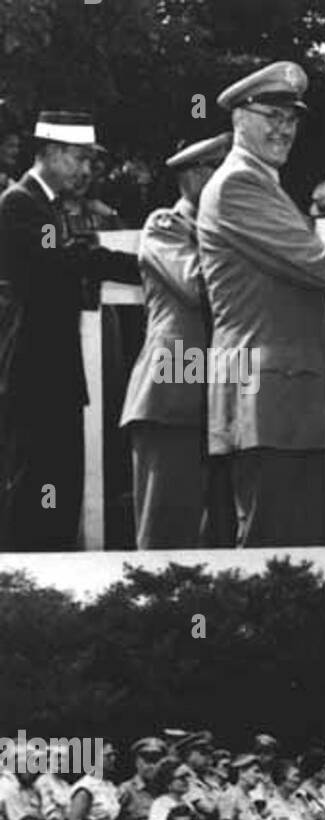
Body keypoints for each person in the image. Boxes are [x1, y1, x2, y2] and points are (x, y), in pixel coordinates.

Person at [198, 61, 325, 547]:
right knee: (272, 557)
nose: (283, 129)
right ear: (238, 119)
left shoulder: (262, 185)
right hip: (266, 405)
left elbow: (287, 305)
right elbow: (318, 263)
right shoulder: (238, 185)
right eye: (271, 115)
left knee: (292, 556)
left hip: (282, 403)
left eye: (291, 119)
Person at [0, 110, 141, 551]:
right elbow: (61, 258)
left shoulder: (45, 206)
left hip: (51, 373)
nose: (86, 170)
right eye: (80, 159)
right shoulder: (21, 204)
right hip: (36, 372)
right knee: (38, 495)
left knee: (57, 493)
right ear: (53, 153)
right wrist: (143, 265)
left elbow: (68, 255)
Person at [118, 132, 232, 549]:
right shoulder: (165, 225)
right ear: (193, 177)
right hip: (172, 395)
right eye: (219, 170)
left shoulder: (227, 233)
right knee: (165, 543)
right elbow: (200, 286)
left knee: (221, 544)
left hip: (224, 396)